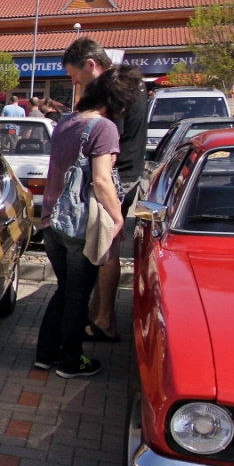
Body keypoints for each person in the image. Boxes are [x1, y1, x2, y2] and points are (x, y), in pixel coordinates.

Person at [35, 64, 142, 378]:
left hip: (53, 221)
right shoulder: (103, 127)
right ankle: (70, 361)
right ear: (118, 102)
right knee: (78, 295)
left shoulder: (66, 122)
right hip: (80, 225)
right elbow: (102, 180)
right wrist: (119, 218)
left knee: (64, 290)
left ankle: (45, 355)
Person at [62, 37, 148, 342]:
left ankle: (104, 320)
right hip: (127, 174)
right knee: (105, 246)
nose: (75, 83)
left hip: (117, 178)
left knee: (107, 246)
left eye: (75, 77)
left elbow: (106, 154)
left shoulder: (117, 90)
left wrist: (113, 208)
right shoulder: (129, 83)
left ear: (91, 65)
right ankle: (97, 314)